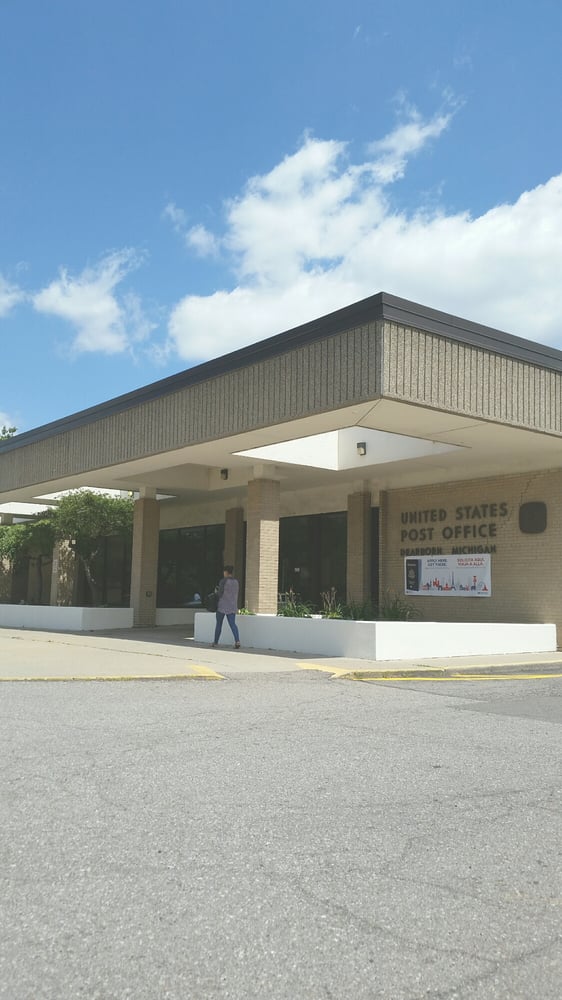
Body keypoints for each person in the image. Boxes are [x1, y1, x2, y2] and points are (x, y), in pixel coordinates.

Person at [212, 565, 241, 648]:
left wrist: (216, 592)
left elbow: (220, 594)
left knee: (219, 624)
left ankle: (215, 642)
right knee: (233, 624)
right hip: (232, 606)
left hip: (222, 606)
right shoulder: (236, 582)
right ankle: (237, 641)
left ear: (226, 572)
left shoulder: (223, 581)